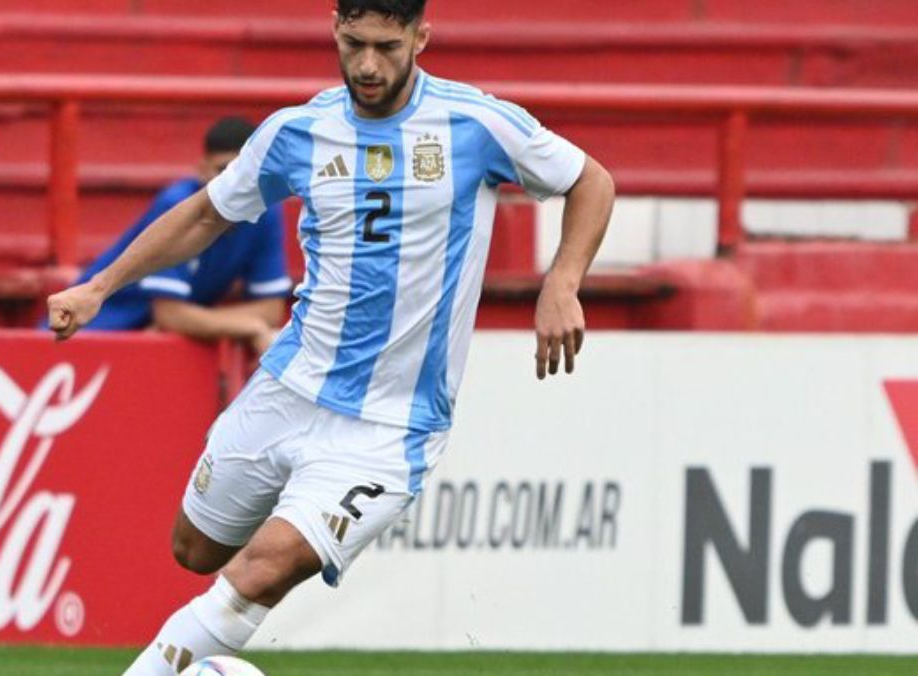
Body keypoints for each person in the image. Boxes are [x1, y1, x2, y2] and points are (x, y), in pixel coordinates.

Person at [47, 0, 615, 672]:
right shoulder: (299, 132)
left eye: (386, 46)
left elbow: (590, 181)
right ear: (334, 32)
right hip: (289, 387)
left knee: (261, 570)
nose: (368, 65)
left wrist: (562, 280)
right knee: (194, 550)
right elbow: (204, 216)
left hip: (389, 427)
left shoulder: (476, 123)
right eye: (353, 44)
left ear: (420, 38)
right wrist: (99, 286)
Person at [53, 117, 291, 353]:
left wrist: (194, 321)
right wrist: (250, 325)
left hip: (143, 344)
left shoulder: (266, 211)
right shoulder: (177, 203)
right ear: (201, 169)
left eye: (243, 172)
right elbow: (169, 315)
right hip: (88, 335)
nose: (233, 182)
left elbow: (270, 309)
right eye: (222, 170)